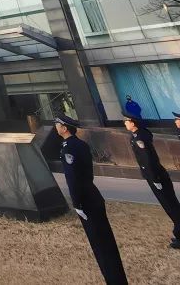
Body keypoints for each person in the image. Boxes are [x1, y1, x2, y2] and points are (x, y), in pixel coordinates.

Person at [55, 115, 127, 284]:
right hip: (92, 195)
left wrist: (77, 203)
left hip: (85, 200)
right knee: (105, 242)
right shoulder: (80, 144)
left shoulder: (69, 148)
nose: (55, 127)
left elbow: (73, 179)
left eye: (57, 124)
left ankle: (114, 280)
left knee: (101, 245)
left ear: (64, 128)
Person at [123, 110, 180, 249]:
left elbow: (148, 159)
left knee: (171, 206)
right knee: (169, 206)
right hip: (153, 175)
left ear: (133, 123)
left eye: (126, 121)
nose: (125, 123)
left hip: (156, 175)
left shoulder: (140, 138)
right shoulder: (138, 135)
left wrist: (154, 178)